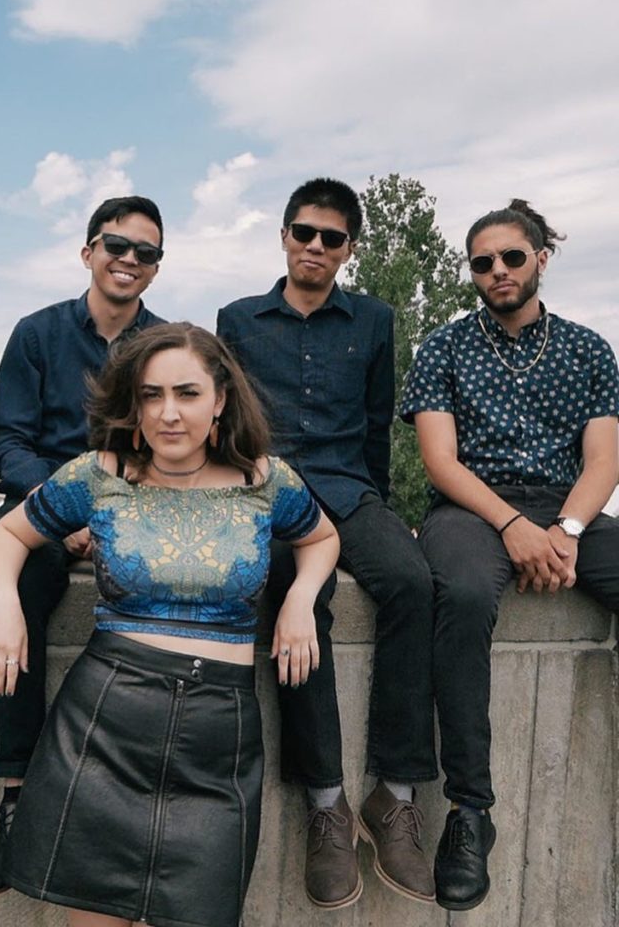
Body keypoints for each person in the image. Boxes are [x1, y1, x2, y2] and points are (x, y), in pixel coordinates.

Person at [0, 322, 340, 927]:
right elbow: (11, 532)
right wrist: (6, 608)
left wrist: (302, 599)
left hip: (217, 739)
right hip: (105, 728)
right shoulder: (101, 474)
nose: (169, 413)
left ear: (220, 399)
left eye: (187, 393)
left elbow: (322, 536)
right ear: (134, 405)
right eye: (152, 395)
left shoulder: (265, 479)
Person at [217, 177, 438, 907]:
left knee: (412, 582)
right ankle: (326, 803)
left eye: (332, 238)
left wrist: (378, 509)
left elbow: (377, 423)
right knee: (294, 603)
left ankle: (394, 793)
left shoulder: (374, 319)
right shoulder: (239, 319)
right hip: (271, 494)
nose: (315, 247)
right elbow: (227, 423)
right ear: (284, 236)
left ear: (349, 248)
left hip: (349, 488)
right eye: (304, 233)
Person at [401, 199, 619, 910]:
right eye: (482, 262)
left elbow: (604, 457)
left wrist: (568, 530)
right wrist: (512, 526)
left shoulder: (589, 349)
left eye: (511, 258)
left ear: (541, 260)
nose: (497, 271)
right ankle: (470, 812)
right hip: (470, 506)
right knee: (461, 597)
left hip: (567, 505)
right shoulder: (444, 346)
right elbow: (439, 461)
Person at [0, 196, 165, 897]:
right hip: (41, 504)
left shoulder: (166, 344)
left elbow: (176, 448)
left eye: (146, 251)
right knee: (23, 590)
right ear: (88, 252)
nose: (129, 259)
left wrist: (111, 515)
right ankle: (18, 791)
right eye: (116, 244)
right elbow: (10, 441)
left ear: (155, 268)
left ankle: (133, 797)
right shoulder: (37, 333)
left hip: (132, 512)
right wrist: (65, 511)